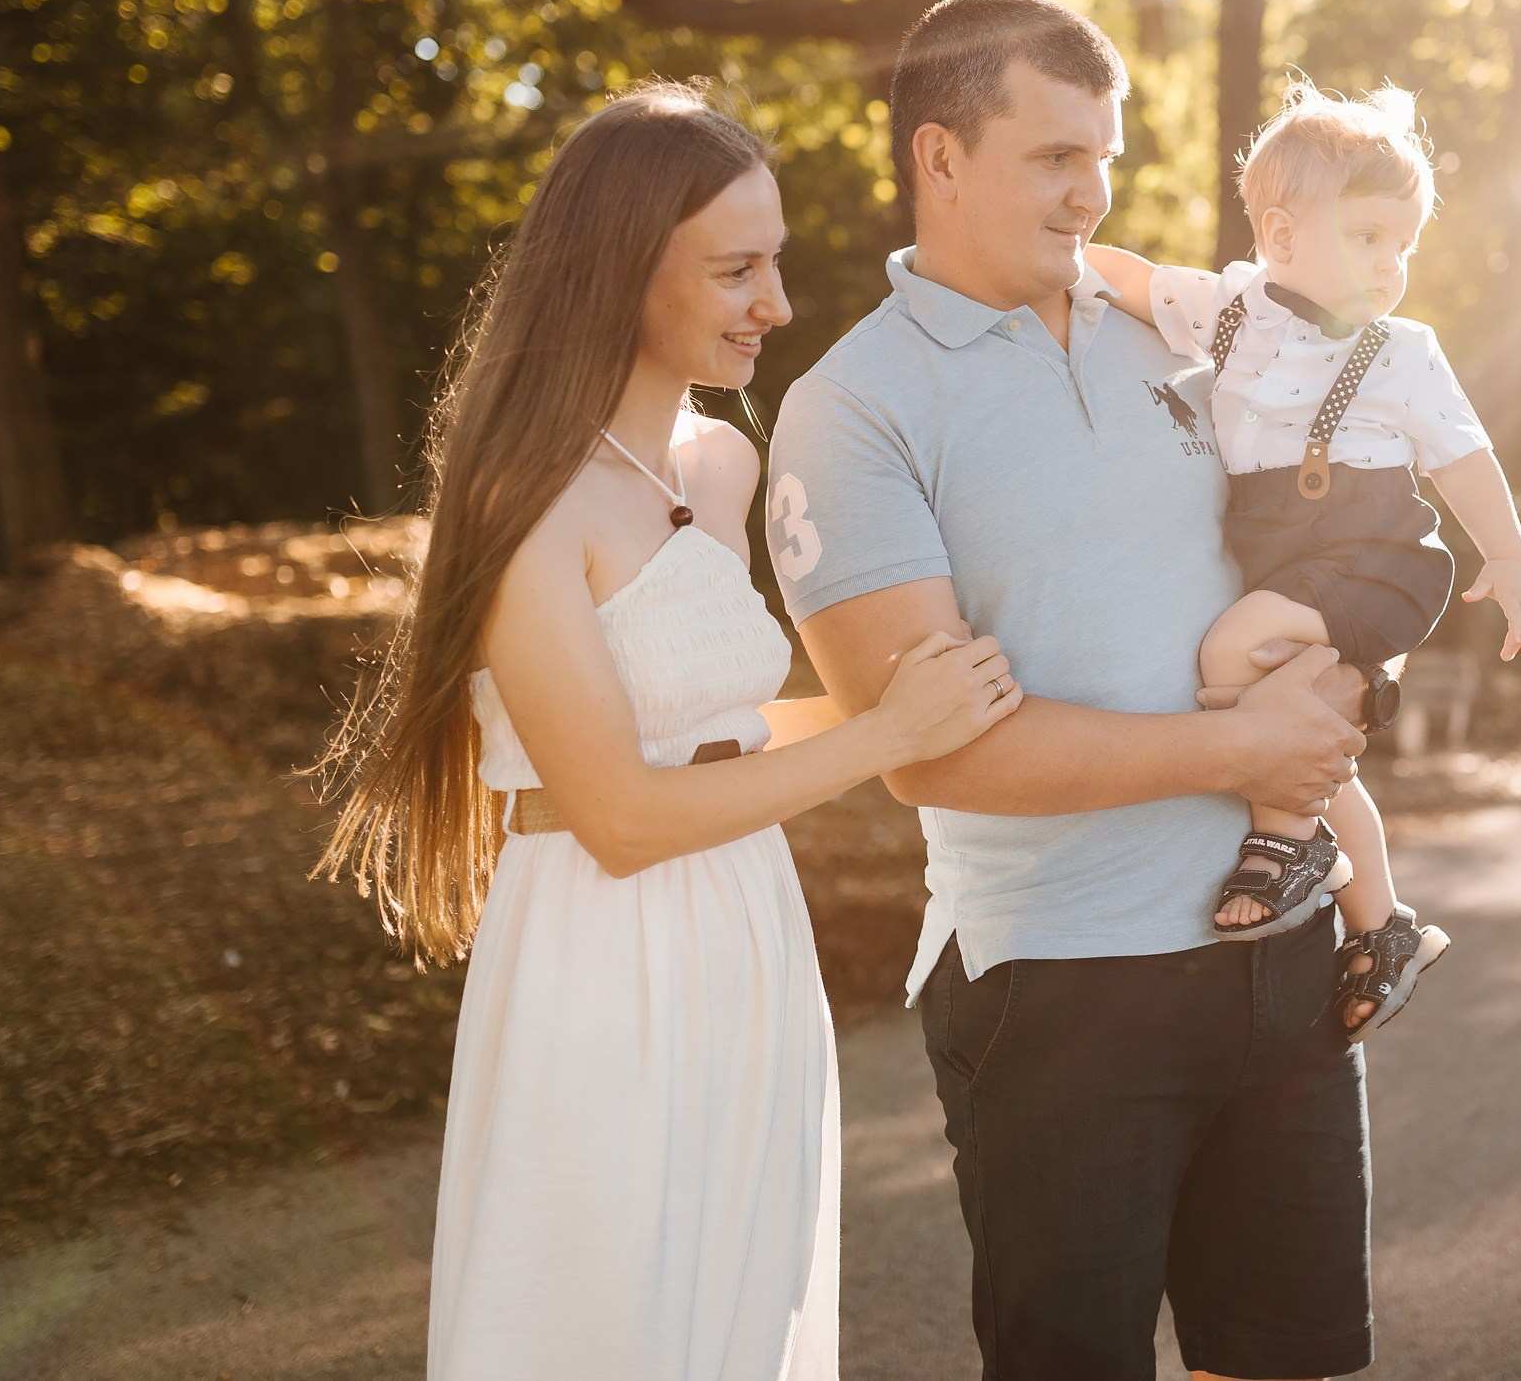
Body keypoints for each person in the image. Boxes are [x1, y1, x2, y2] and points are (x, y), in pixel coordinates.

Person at [314, 83, 1020, 1380]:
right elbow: (622, 815)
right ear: (621, 272)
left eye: (779, 262)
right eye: (737, 268)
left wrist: (922, 694)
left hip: (749, 925)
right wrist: (880, 738)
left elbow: (723, 733)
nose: (778, 303)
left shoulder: (721, 466)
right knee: (609, 1316)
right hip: (599, 947)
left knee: (739, 1308)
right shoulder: (528, 502)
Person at [767, 0, 1376, 1381]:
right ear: (941, 156)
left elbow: (1344, 511)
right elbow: (933, 753)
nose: (1092, 191)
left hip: (1278, 945)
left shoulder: (1180, 332)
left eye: (1106, 155)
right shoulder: (851, 410)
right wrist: (1238, 752)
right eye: (1054, 157)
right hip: (1061, 985)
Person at [1087, 78, 1521, 1038]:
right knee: (1304, 737)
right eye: (1369, 236)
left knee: (1231, 650)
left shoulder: (1402, 350)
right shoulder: (1232, 309)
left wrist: (1507, 557)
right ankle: (1383, 923)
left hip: (1373, 555)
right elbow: (1132, 278)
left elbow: (1465, 459)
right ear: (1283, 236)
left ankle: (1284, 841)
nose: (1392, 263)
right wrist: (1058, 259)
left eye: (1404, 244)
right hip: (1289, 558)